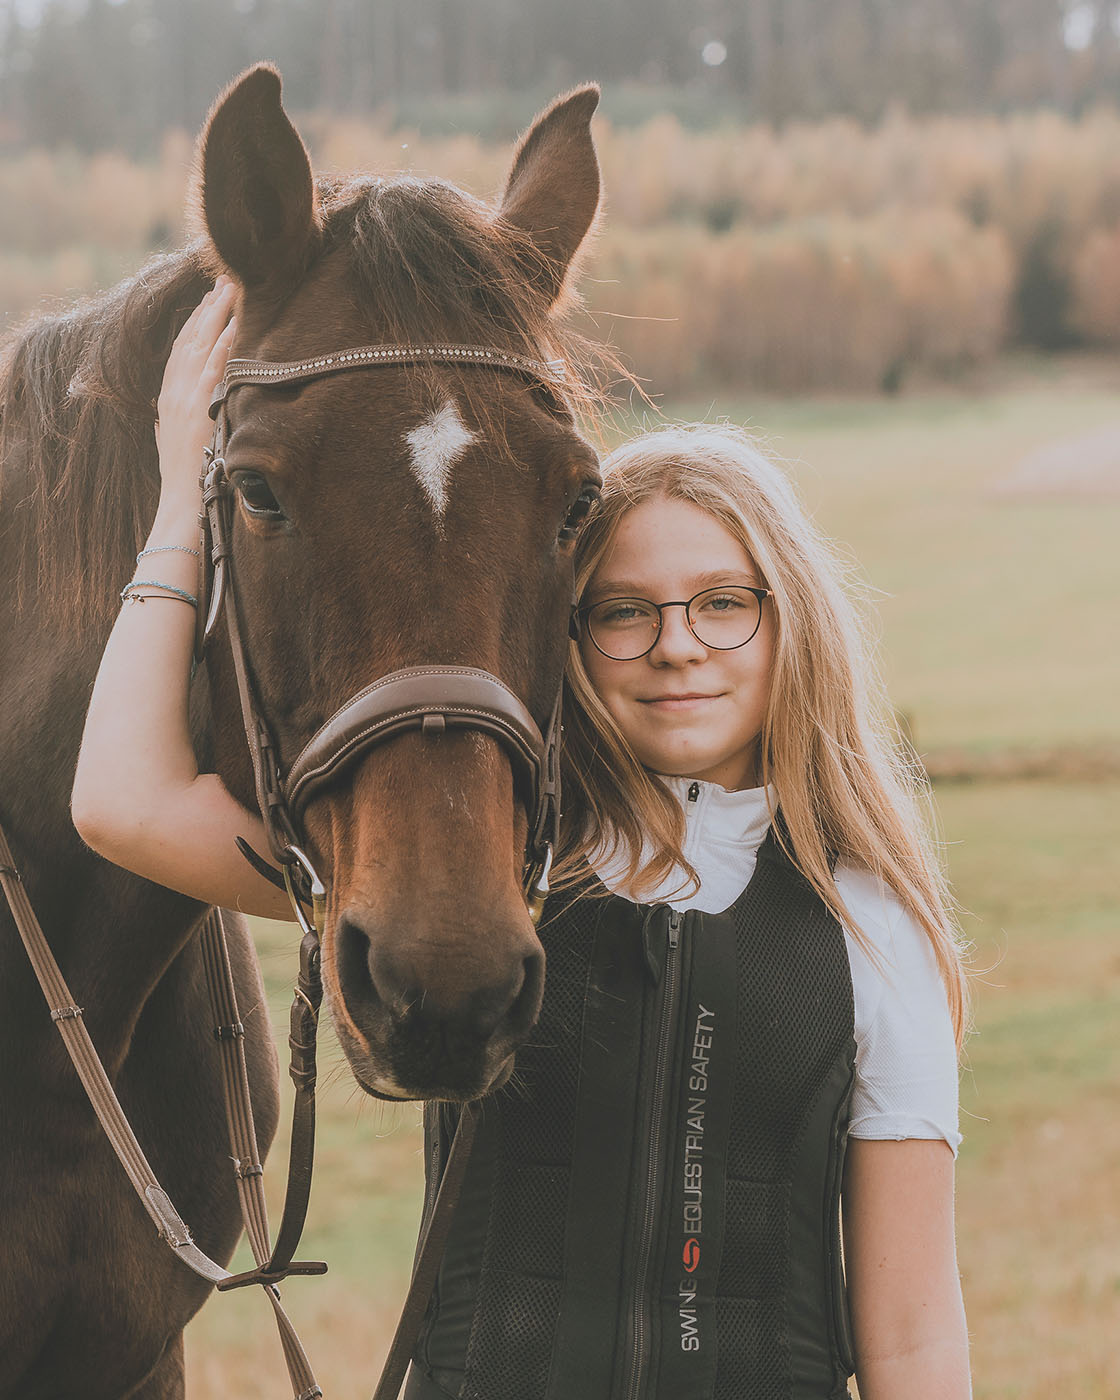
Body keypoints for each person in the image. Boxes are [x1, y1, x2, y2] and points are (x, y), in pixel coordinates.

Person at [72, 292, 972, 1399]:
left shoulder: (870, 931)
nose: (675, 644)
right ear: (565, 636)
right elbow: (123, 799)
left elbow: (915, 1333)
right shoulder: (492, 875)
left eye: (722, 603)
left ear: (792, 620)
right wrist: (180, 498)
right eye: (623, 611)